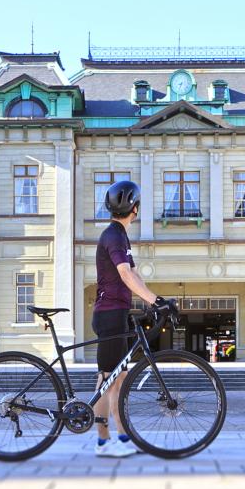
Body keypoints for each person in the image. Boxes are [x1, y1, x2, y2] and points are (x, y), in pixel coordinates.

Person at [92, 179, 175, 457]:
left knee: (120, 378)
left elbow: (134, 274)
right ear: (135, 209)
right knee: (106, 379)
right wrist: (155, 300)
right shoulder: (114, 236)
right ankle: (103, 443)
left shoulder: (118, 235)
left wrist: (155, 299)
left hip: (117, 313)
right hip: (110, 315)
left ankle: (124, 439)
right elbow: (125, 274)